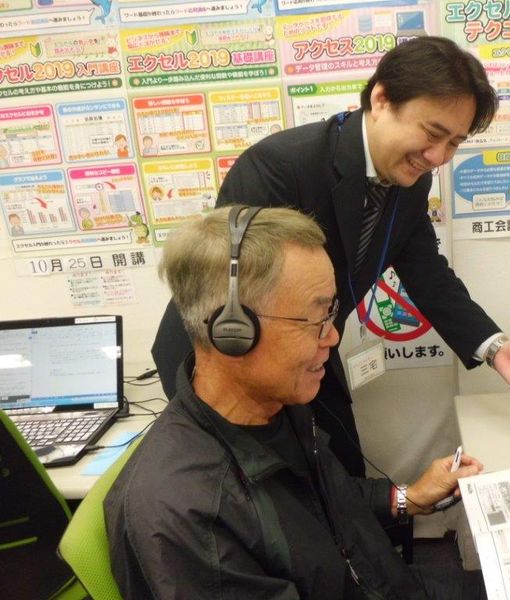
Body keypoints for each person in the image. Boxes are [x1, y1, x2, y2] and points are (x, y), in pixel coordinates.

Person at [152, 36, 510, 477]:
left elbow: (427, 273)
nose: (438, 157)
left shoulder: (411, 181)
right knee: (271, 494)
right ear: (381, 99)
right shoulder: (280, 166)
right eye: (432, 134)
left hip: (310, 352)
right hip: (229, 358)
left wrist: (495, 348)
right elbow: (231, 290)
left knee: (343, 473)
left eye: (454, 143)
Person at [106, 205, 487, 599]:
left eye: (331, 313)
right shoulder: (189, 519)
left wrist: (408, 497)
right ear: (233, 332)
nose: (332, 337)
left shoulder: (275, 408)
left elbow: (319, 504)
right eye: (315, 319)